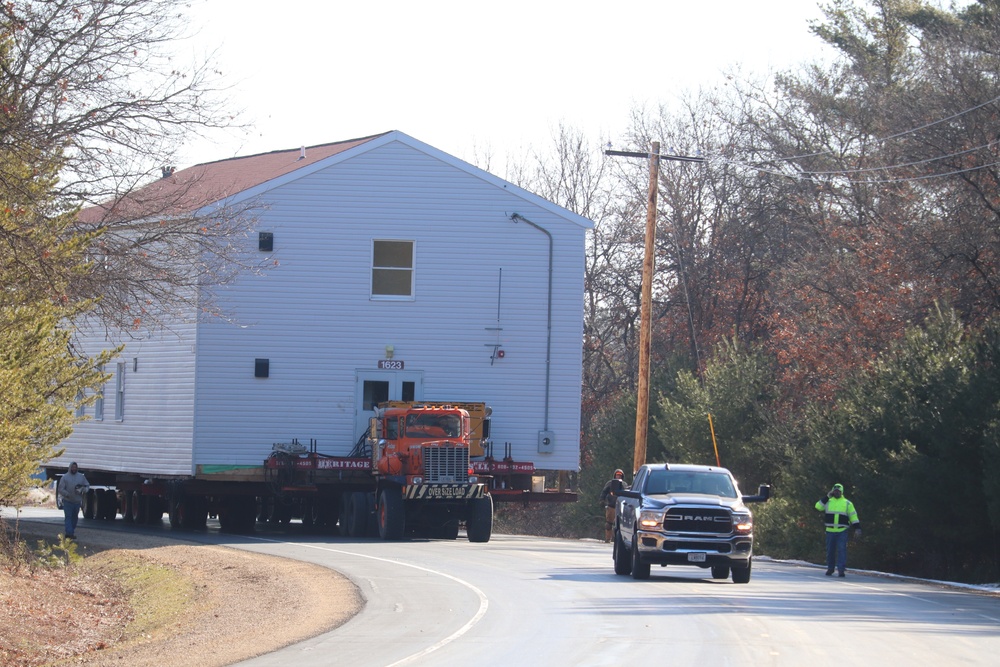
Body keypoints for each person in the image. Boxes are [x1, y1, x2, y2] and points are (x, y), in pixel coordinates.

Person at [815, 483, 861, 577]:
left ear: (842, 492)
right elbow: (818, 507)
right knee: (830, 551)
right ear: (832, 491)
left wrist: (857, 528)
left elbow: (853, 517)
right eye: (835, 491)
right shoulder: (828, 501)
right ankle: (830, 568)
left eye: (838, 491)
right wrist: (827, 497)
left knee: (841, 550)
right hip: (830, 531)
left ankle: (841, 570)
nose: (836, 492)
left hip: (842, 531)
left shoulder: (847, 503)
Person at [56, 462, 90, 540]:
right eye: (72, 467)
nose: (74, 469)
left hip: (77, 502)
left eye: (75, 467)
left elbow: (87, 486)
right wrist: (66, 494)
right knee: (68, 517)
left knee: (74, 518)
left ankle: (71, 531)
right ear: (70, 468)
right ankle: (69, 533)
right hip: (68, 501)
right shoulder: (65, 477)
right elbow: (60, 489)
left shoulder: (81, 477)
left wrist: (83, 489)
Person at [599, 469, 627, 543]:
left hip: (621, 508)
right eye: (617, 475)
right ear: (614, 475)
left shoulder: (624, 485)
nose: (618, 476)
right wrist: (602, 500)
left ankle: (619, 540)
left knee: (620, 525)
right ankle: (608, 539)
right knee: (608, 524)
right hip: (611, 506)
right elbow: (604, 492)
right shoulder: (610, 483)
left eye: (620, 475)